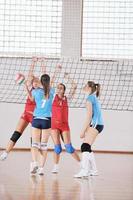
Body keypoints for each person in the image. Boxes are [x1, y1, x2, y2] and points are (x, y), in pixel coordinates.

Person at [0, 57, 41, 161]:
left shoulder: (41, 91)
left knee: (34, 140)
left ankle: (35, 162)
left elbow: (43, 77)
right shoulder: (30, 87)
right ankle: (5, 153)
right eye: (33, 81)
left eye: (37, 81)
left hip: (35, 116)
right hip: (26, 114)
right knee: (17, 133)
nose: (34, 81)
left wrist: (42, 64)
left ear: (40, 83)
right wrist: (33, 61)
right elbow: (30, 75)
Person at [25, 65, 61, 176]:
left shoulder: (36, 91)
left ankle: (35, 162)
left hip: (36, 119)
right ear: (49, 82)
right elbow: (52, 81)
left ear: (40, 81)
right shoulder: (52, 91)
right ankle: (41, 169)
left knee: (34, 144)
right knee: (44, 146)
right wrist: (56, 70)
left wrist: (27, 88)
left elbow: (31, 99)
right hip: (47, 120)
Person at [50, 73, 80, 174]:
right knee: (57, 148)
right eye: (58, 88)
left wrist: (68, 77)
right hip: (54, 125)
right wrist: (57, 72)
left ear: (64, 90)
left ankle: (81, 165)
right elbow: (50, 84)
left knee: (69, 147)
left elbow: (75, 86)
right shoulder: (53, 97)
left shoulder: (67, 98)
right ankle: (56, 167)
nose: (59, 89)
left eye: (61, 88)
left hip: (64, 125)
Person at [74, 81, 104, 178]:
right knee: (87, 147)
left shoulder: (89, 98)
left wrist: (83, 131)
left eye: (85, 85)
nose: (83, 87)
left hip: (96, 123)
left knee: (84, 146)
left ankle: (84, 171)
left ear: (89, 88)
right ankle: (94, 170)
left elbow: (89, 116)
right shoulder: (93, 97)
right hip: (98, 124)